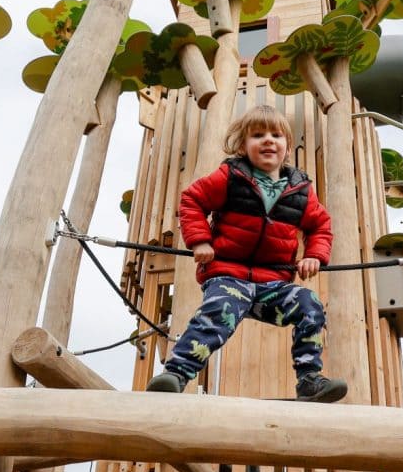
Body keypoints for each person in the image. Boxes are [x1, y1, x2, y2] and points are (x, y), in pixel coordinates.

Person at [146, 104, 347, 403]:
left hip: (273, 284)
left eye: (276, 135)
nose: (268, 140)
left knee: (310, 303)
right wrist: (200, 241)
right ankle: (176, 373)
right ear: (243, 146)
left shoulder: (301, 189)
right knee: (218, 313)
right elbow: (192, 200)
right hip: (228, 274)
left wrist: (314, 255)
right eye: (258, 135)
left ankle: (309, 379)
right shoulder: (230, 177)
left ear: (287, 147)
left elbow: (320, 225)